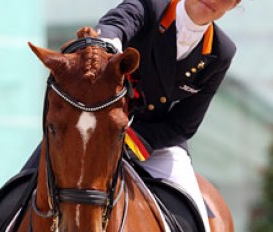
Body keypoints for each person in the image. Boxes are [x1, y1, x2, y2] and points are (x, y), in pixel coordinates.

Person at [94, 0, 241, 231]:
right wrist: (106, 49)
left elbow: (184, 123)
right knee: (27, 181)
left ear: (233, 5)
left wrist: (132, 142)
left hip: (155, 141)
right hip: (99, 125)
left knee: (198, 218)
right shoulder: (151, 6)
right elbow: (114, 26)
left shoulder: (221, 52)